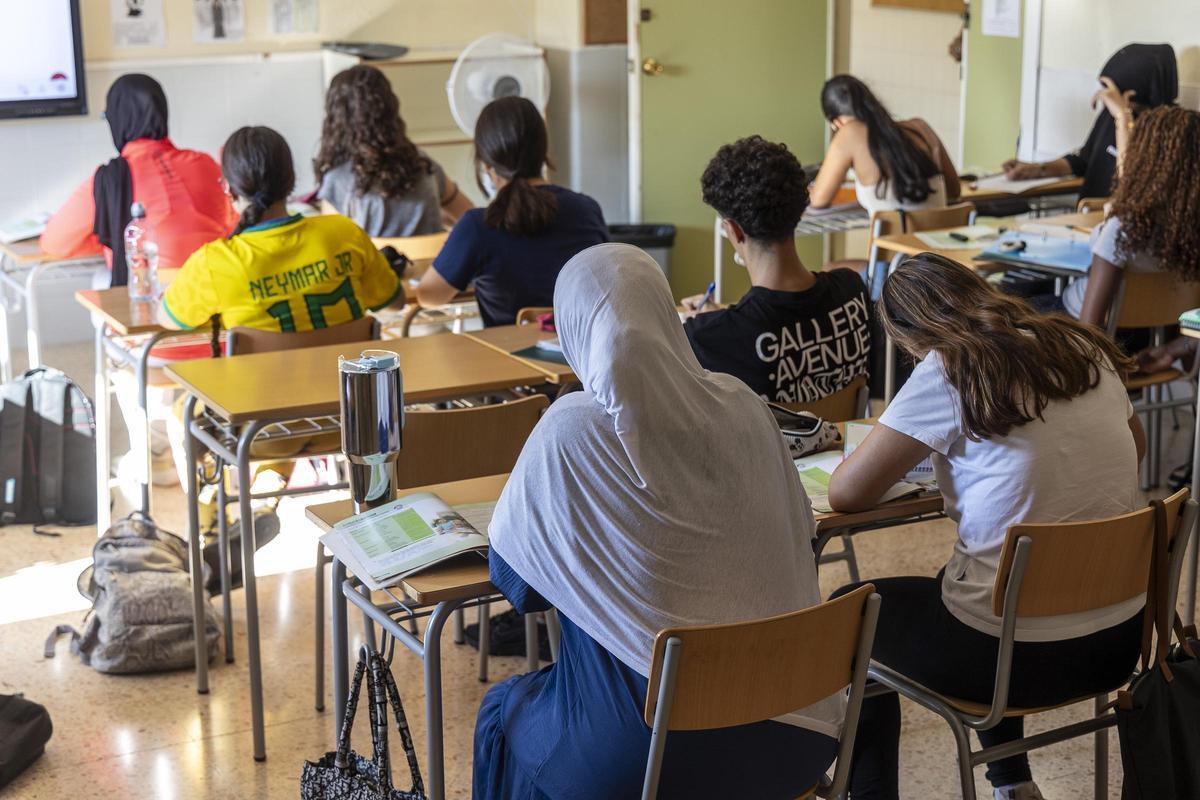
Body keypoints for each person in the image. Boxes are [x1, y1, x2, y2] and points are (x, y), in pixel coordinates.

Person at [475, 244, 841, 799]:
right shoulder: (744, 405)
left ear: (576, 332)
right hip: (798, 739)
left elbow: (518, 588)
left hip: (653, 758)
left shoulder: (569, 429)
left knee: (503, 712)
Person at [827, 255, 1145, 800]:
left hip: (1007, 662)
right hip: (1119, 643)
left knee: (854, 606)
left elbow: (846, 492)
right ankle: (1013, 784)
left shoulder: (949, 365)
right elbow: (1134, 445)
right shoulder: (1081, 345)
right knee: (975, 584)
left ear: (909, 338)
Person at [160, 126, 405, 333]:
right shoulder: (344, 233)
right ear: (291, 180)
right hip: (344, 387)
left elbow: (167, 319)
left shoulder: (213, 264)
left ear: (229, 189)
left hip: (260, 390)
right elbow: (395, 303)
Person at [682, 136, 870, 403]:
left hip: (768, 447)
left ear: (733, 229)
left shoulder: (706, 338)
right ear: (798, 212)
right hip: (844, 442)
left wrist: (718, 322)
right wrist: (724, 317)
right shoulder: (852, 290)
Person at [415, 96, 608, 326]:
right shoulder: (586, 209)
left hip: (506, 358)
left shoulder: (478, 226)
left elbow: (428, 296)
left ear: (486, 165)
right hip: (582, 356)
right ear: (543, 151)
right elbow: (605, 283)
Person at [41, 74, 237, 284]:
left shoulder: (108, 180)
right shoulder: (206, 164)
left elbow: (54, 244)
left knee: (100, 279)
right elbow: (233, 224)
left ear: (116, 120)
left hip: (149, 303)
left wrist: (110, 242)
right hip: (218, 292)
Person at [1058, 105, 1200, 326]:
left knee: (1013, 298)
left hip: (1080, 325)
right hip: (1152, 332)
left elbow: (1090, 324)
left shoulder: (1124, 228)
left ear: (1146, 159)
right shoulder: (1189, 228)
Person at [314, 65, 472, 237]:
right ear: (390, 108)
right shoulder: (424, 165)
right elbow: (468, 215)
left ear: (336, 118)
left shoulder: (337, 180)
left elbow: (335, 245)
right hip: (430, 263)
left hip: (375, 264)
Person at [1002, 43, 1177, 198]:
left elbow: (1135, 184)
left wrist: (1122, 118)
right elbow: (1084, 161)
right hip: (1087, 221)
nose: (1105, 97)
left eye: (1110, 91)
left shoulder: (1169, 129)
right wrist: (1037, 170)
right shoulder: (1110, 118)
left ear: (1131, 94)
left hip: (1115, 222)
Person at [808, 75, 960, 215]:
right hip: (938, 241)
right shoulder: (920, 127)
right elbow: (954, 190)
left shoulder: (849, 132)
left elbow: (818, 200)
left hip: (894, 244)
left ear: (836, 122)